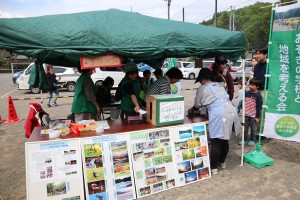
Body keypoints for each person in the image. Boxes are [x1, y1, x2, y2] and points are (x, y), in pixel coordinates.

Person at [188, 68, 240, 175]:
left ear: (205, 79)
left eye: (201, 80)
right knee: (225, 139)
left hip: (219, 112)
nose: (201, 83)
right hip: (231, 110)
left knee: (216, 140)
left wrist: (191, 110)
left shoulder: (203, 88)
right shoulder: (219, 85)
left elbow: (198, 104)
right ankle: (222, 162)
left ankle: (214, 168)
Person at [239, 78, 262, 146]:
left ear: (257, 86)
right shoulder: (247, 93)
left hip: (253, 116)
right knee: (245, 128)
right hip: (246, 114)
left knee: (253, 129)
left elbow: (258, 107)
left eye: (253, 85)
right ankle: (244, 139)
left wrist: (257, 117)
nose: (250, 86)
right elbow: (243, 102)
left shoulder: (258, 96)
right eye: (250, 85)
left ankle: (252, 140)